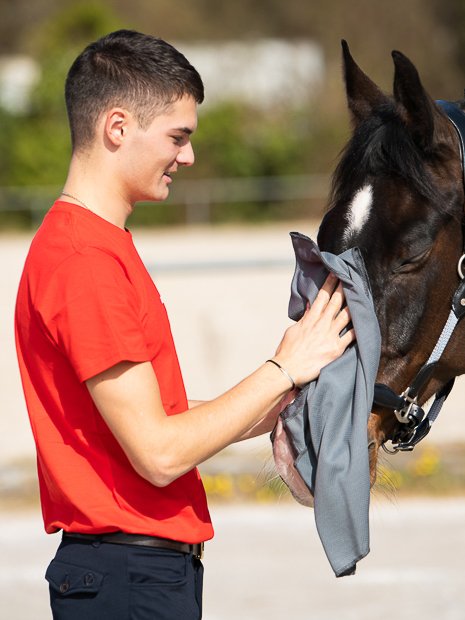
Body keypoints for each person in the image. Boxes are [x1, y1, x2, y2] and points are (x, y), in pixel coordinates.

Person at [14, 30, 354, 620]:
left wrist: (282, 403)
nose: (189, 156)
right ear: (117, 128)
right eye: (178, 136)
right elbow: (159, 453)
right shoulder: (83, 261)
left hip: (137, 573)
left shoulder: (98, 247)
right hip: (126, 576)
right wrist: (281, 367)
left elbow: (156, 417)